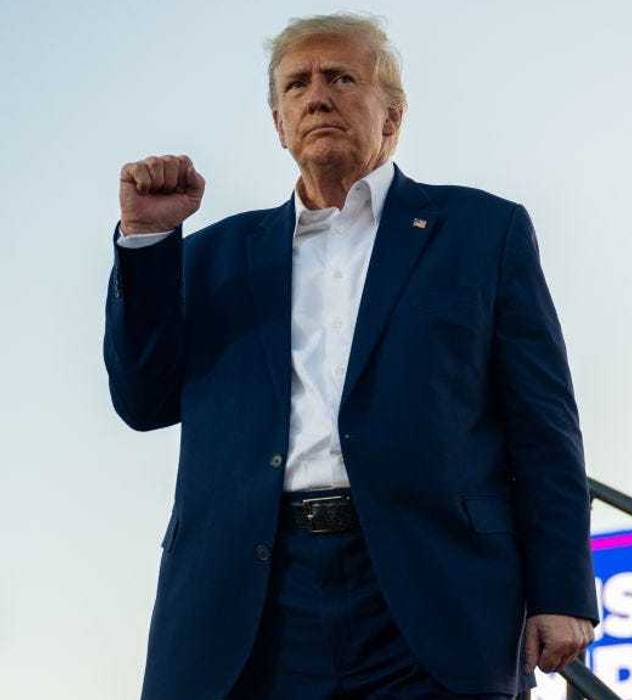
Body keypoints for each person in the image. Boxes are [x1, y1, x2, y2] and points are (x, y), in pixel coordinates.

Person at [104, 12, 598, 699]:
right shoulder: (214, 256)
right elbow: (142, 400)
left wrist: (561, 587)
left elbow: (542, 425)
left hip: (434, 593)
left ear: (391, 114)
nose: (317, 96)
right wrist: (147, 244)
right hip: (250, 600)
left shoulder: (482, 232)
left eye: (340, 77)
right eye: (296, 84)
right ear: (278, 122)